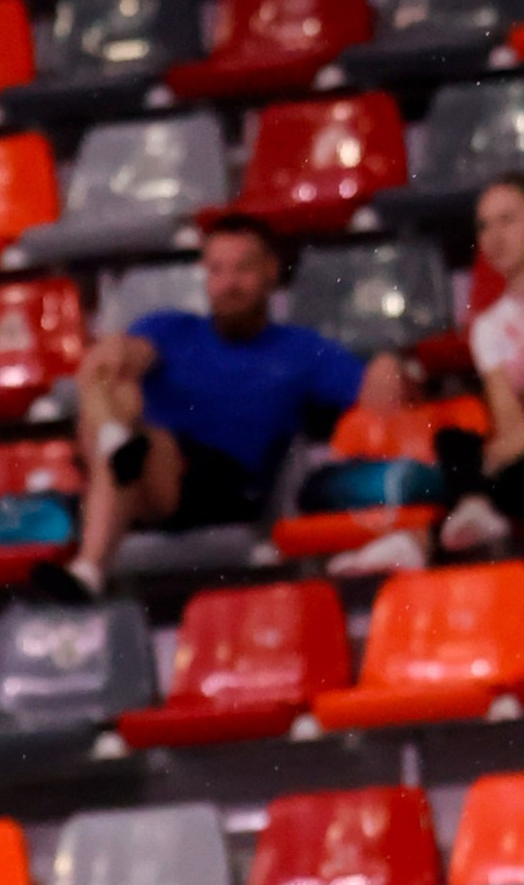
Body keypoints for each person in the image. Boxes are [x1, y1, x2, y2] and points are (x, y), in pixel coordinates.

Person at [57, 216, 404, 598]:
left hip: (227, 483)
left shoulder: (302, 350)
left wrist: (389, 364)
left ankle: (91, 557)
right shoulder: (171, 330)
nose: (228, 284)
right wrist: (113, 357)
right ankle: (109, 465)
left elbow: (376, 398)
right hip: (146, 478)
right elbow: (111, 363)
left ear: (270, 271)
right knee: (107, 372)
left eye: (243, 269)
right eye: (217, 270)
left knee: (135, 444)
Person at [438, 177, 524, 554]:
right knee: (453, 442)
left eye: (507, 220)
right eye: (484, 225)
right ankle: (480, 505)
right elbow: (509, 423)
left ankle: (479, 502)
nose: (494, 237)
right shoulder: (489, 327)